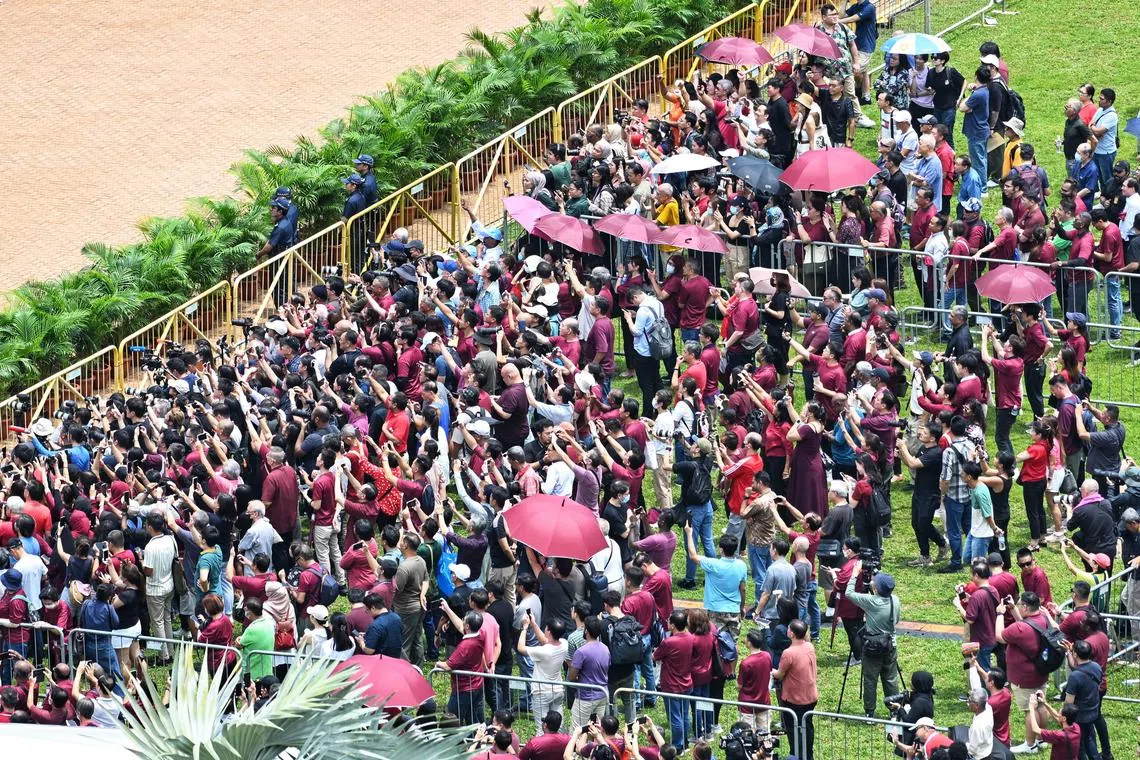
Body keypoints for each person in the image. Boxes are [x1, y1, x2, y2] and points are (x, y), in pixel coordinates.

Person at [844, 561, 901, 718]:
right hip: (890, 644)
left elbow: (849, 593)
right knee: (890, 678)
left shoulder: (871, 602)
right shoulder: (894, 600)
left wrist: (855, 574)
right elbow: (896, 620)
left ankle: (870, 712)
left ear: (876, 589)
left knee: (870, 680)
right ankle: (895, 710)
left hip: (872, 646)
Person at [683, 526, 747, 639]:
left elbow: (693, 555)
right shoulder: (741, 565)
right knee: (732, 643)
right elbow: (743, 589)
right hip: (734, 609)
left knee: (715, 641)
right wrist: (741, 607)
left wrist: (689, 534)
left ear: (721, 549)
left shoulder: (713, 564)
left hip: (715, 609)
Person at [773, 620, 818, 760]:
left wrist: (772, 672)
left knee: (793, 730)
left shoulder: (788, 653)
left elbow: (780, 674)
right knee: (808, 726)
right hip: (810, 697)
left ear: (791, 633)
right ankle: (808, 755)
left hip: (794, 699)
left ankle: (796, 755)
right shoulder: (809, 646)